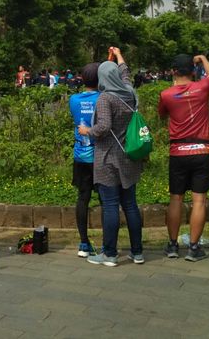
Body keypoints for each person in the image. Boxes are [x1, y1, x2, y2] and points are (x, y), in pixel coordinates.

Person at [79, 48, 144, 266]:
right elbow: (125, 73)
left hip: (108, 159)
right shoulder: (129, 92)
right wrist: (118, 55)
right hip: (130, 158)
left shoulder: (106, 98)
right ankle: (137, 252)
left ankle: (110, 254)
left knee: (110, 205)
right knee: (131, 205)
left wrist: (87, 131)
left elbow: (104, 126)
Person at [158, 53, 209, 262]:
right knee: (199, 200)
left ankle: (173, 245)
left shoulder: (166, 94)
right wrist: (203, 59)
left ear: (173, 71)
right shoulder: (202, 88)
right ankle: (193, 248)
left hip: (178, 152)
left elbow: (162, 114)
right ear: (193, 72)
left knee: (176, 198)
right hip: (202, 150)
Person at [69, 62, 100, 257]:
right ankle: (108, 243)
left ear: (82, 79)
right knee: (107, 200)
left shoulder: (74, 99)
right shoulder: (104, 99)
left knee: (83, 198)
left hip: (80, 156)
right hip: (100, 158)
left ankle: (83, 243)